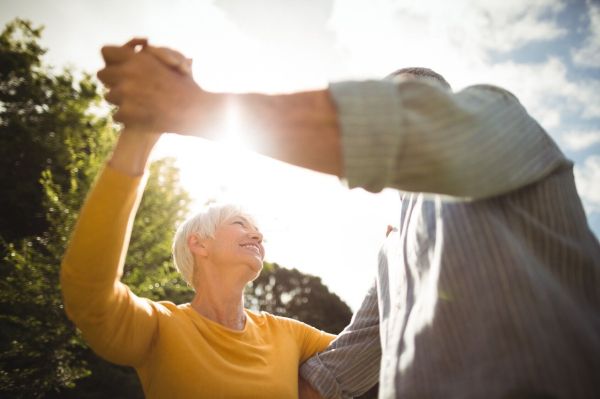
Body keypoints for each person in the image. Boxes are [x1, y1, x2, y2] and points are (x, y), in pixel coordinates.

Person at [97, 40, 600, 398]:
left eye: (405, 100)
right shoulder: (394, 243)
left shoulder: (502, 118)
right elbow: (359, 349)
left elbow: (400, 129)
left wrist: (189, 105)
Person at [60, 124, 336, 397]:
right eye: (240, 223)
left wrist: (383, 257)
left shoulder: (290, 334)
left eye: (257, 229)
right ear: (199, 243)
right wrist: (137, 140)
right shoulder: (161, 327)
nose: (258, 234)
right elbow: (89, 293)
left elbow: (369, 350)